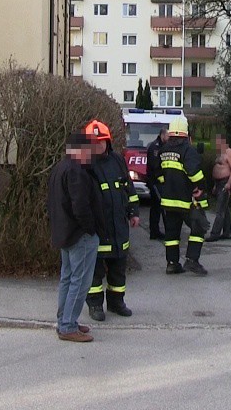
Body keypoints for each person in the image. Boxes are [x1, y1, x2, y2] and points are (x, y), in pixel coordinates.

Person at [83, 119, 141, 322]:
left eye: (101, 141)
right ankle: (95, 305)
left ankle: (117, 303)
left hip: (118, 226)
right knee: (94, 271)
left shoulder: (117, 160)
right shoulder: (85, 165)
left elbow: (128, 187)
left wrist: (134, 212)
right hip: (98, 228)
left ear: (108, 141)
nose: (98, 145)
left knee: (118, 269)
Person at [48, 133, 103, 343]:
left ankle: (65, 320)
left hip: (65, 233)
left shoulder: (60, 168)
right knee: (80, 282)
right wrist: (90, 228)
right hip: (80, 235)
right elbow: (80, 205)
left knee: (68, 278)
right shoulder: (76, 171)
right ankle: (68, 326)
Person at [153, 116, 209, 276]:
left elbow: (158, 173)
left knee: (171, 233)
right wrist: (201, 187)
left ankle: (172, 264)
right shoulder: (188, 150)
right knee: (199, 227)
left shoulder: (163, 150)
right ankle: (192, 260)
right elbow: (194, 173)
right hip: (187, 200)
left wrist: (168, 184)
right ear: (186, 133)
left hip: (168, 201)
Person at [206, 134, 231, 242]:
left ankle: (214, 234)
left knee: (220, 209)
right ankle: (227, 232)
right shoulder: (219, 153)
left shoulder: (229, 152)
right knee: (224, 208)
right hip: (218, 183)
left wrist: (229, 183)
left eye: (218, 142)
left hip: (225, 182)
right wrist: (215, 185)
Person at [145, 127, 168, 240]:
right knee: (159, 206)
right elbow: (155, 166)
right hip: (155, 181)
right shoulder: (155, 147)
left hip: (159, 181)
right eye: (168, 136)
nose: (169, 138)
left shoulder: (163, 146)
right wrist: (161, 178)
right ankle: (156, 232)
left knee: (157, 207)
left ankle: (155, 231)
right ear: (162, 135)